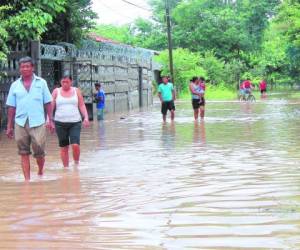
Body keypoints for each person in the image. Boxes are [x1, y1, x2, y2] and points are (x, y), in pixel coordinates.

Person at [6, 56, 54, 181]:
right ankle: (27, 181)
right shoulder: (14, 85)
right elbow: (11, 106)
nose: (25, 69)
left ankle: (40, 170)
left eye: (27, 66)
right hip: (20, 123)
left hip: (38, 122)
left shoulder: (41, 83)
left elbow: (48, 102)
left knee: (39, 151)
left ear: (32, 68)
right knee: (23, 152)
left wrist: (51, 121)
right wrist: (9, 126)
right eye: (22, 67)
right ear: (20, 69)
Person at [51, 72, 90, 168]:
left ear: (71, 82)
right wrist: (49, 119)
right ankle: (66, 168)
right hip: (60, 123)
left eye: (67, 82)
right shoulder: (56, 91)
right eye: (63, 82)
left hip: (75, 122)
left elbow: (81, 105)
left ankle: (76, 164)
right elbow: (51, 106)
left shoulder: (76, 91)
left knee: (75, 145)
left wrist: (86, 117)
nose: (65, 84)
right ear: (60, 81)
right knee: (64, 147)